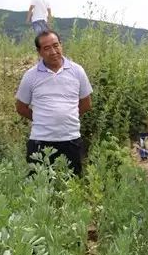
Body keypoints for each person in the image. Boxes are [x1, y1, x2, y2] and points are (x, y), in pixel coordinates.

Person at [15, 30, 92, 175]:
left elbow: (86, 104)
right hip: (40, 141)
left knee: (71, 188)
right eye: (46, 48)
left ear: (61, 45)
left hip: (71, 140)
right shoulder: (31, 76)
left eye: (56, 45)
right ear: (39, 52)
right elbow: (21, 107)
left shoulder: (77, 71)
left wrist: (68, 118)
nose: (53, 51)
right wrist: (42, 119)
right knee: (39, 190)